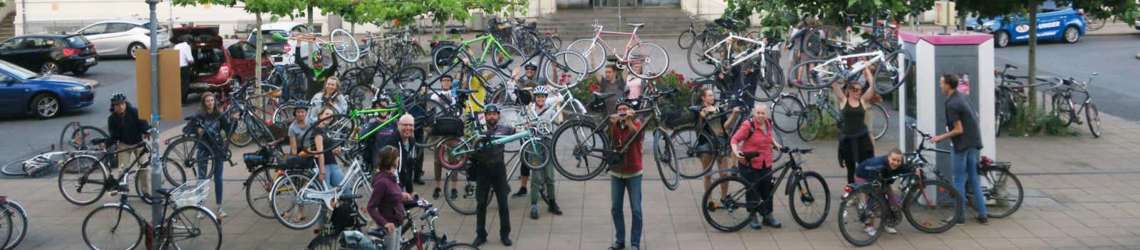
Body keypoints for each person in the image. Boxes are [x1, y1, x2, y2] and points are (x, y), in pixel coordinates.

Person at [931, 74, 989, 225]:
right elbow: (974, 115)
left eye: (941, 83)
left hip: (961, 145)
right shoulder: (962, 96)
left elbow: (958, 129)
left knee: (958, 181)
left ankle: (959, 217)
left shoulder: (952, 104)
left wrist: (940, 137)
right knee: (974, 179)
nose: (940, 85)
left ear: (948, 85)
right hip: (973, 142)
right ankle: (982, 214)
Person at [729, 103, 783, 230]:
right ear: (754, 113)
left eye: (762, 113)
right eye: (758, 113)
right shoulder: (748, 125)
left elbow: (769, 137)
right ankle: (753, 216)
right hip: (749, 163)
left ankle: (768, 216)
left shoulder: (768, 123)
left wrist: (776, 145)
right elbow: (734, 139)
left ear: (766, 114)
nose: (760, 115)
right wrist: (736, 152)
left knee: (767, 190)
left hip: (766, 162)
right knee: (753, 190)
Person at [471, 105, 514, 247]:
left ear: (498, 116)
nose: (491, 117)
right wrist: (481, 139)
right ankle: (480, 235)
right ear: (485, 116)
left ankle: (505, 235)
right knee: (481, 204)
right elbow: (471, 148)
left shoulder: (505, 129)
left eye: (494, 114)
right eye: (488, 114)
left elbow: (519, 131)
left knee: (503, 203)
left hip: (499, 169)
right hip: (482, 169)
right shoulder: (478, 130)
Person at [521, 86, 563, 219]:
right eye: (538, 96)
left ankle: (552, 202)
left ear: (546, 98)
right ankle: (534, 205)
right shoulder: (530, 110)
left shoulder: (550, 110)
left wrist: (558, 107)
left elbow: (559, 121)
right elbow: (523, 124)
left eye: (543, 97)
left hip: (548, 144)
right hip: (535, 146)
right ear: (535, 98)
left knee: (550, 177)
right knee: (536, 177)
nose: (540, 99)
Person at [696, 88, 742, 210]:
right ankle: (709, 200)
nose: (712, 97)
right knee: (707, 174)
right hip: (706, 145)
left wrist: (734, 115)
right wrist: (701, 116)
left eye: (712, 95)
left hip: (721, 143)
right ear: (703, 98)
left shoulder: (719, 109)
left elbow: (726, 126)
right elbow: (698, 128)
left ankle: (724, 197)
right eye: (709, 95)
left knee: (724, 174)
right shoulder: (699, 110)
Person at [608, 102, 643, 250]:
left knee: (636, 209)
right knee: (616, 208)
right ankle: (620, 240)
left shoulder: (637, 123)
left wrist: (628, 121)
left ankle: (635, 243)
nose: (622, 111)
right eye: (619, 110)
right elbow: (611, 140)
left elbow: (637, 135)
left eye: (624, 109)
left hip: (634, 172)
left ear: (630, 111)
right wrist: (613, 124)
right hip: (617, 172)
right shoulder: (615, 125)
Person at [190, 92, 231, 218]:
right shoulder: (199, 115)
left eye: (212, 100)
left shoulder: (219, 115)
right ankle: (200, 207)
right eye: (208, 101)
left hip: (217, 148)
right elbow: (192, 129)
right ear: (204, 102)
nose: (210, 103)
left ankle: (219, 207)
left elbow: (228, 129)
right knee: (202, 179)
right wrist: (198, 130)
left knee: (218, 178)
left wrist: (233, 120)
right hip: (203, 148)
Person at [367, 146, 413, 250]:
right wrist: (385, 223)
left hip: (397, 223)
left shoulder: (390, 176)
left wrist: (401, 195)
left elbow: (389, 195)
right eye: (397, 157)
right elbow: (371, 207)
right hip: (390, 227)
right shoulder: (382, 182)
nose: (399, 159)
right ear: (392, 160)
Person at [854, 148, 907, 235]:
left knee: (893, 201)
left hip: (881, 179)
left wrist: (915, 170)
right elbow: (872, 179)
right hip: (864, 177)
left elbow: (905, 168)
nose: (896, 163)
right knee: (874, 200)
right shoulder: (878, 164)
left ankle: (888, 222)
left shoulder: (897, 165)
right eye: (893, 160)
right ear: (888, 158)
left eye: (898, 161)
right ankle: (868, 226)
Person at [106, 93, 151, 195]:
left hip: (138, 144)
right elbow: (114, 136)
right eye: (117, 105)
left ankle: (146, 192)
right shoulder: (112, 119)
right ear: (113, 106)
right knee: (122, 170)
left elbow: (144, 125)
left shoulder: (135, 112)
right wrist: (107, 143)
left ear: (125, 103)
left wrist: (146, 131)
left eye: (122, 104)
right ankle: (124, 191)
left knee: (144, 168)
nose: (120, 107)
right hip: (124, 145)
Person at [834, 80, 877, 184]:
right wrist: (831, 71)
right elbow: (834, 85)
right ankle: (852, 191)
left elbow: (872, 88)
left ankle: (866, 189)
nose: (858, 92)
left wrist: (867, 72)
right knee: (850, 168)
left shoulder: (862, 101)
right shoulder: (844, 100)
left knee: (865, 166)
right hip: (848, 140)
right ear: (849, 90)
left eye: (860, 90)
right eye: (855, 90)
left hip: (862, 138)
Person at [304, 106, 346, 194]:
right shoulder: (317, 130)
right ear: (320, 116)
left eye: (331, 115)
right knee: (327, 194)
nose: (329, 117)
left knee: (344, 189)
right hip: (325, 165)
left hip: (332, 163)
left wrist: (335, 150)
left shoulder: (325, 129)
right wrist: (322, 170)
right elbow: (320, 152)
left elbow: (327, 148)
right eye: (327, 114)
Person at [362, 97, 398, 169]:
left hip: (393, 163)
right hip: (378, 164)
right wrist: (372, 124)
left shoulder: (393, 122)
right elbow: (361, 137)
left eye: (385, 106)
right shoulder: (372, 123)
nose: (383, 109)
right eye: (380, 107)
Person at [394, 114, 422, 192]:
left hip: (401, 184)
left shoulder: (411, 141)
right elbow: (393, 170)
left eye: (411, 125)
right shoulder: (393, 141)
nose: (408, 128)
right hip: (391, 186)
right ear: (398, 125)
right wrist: (399, 192)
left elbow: (409, 168)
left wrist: (410, 192)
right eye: (405, 125)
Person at [175, 35, 195, 103]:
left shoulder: (176, 46)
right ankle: (183, 100)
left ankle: (177, 99)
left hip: (175, 67)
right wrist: (193, 62)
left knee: (178, 84)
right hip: (183, 67)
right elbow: (190, 59)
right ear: (189, 41)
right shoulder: (187, 46)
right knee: (185, 84)